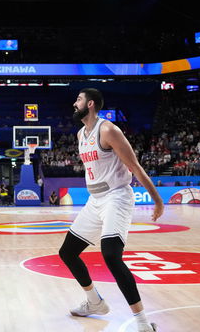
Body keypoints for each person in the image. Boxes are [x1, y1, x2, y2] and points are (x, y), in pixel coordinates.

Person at [58, 88, 164, 332]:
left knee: (111, 256)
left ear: (91, 104)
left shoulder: (108, 130)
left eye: (79, 100)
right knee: (68, 252)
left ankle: (143, 324)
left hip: (117, 197)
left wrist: (157, 200)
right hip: (94, 201)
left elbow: (134, 166)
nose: (75, 104)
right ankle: (95, 301)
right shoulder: (80, 134)